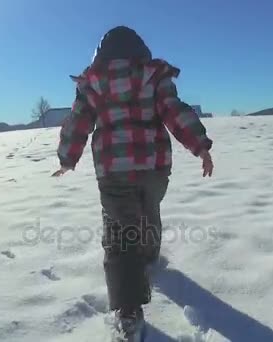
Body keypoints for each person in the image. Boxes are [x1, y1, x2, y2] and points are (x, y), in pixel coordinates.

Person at [53, 26, 213, 337]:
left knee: (120, 232)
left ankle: (127, 309)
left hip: (113, 170)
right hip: (155, 167)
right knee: (148, 210)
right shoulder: (154, 76)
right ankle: (150, 255)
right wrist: (201, 146)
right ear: (141, 52)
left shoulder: (93, 83)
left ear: (100, 56)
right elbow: (174, 111)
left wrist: (67, 158)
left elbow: (78, 123)